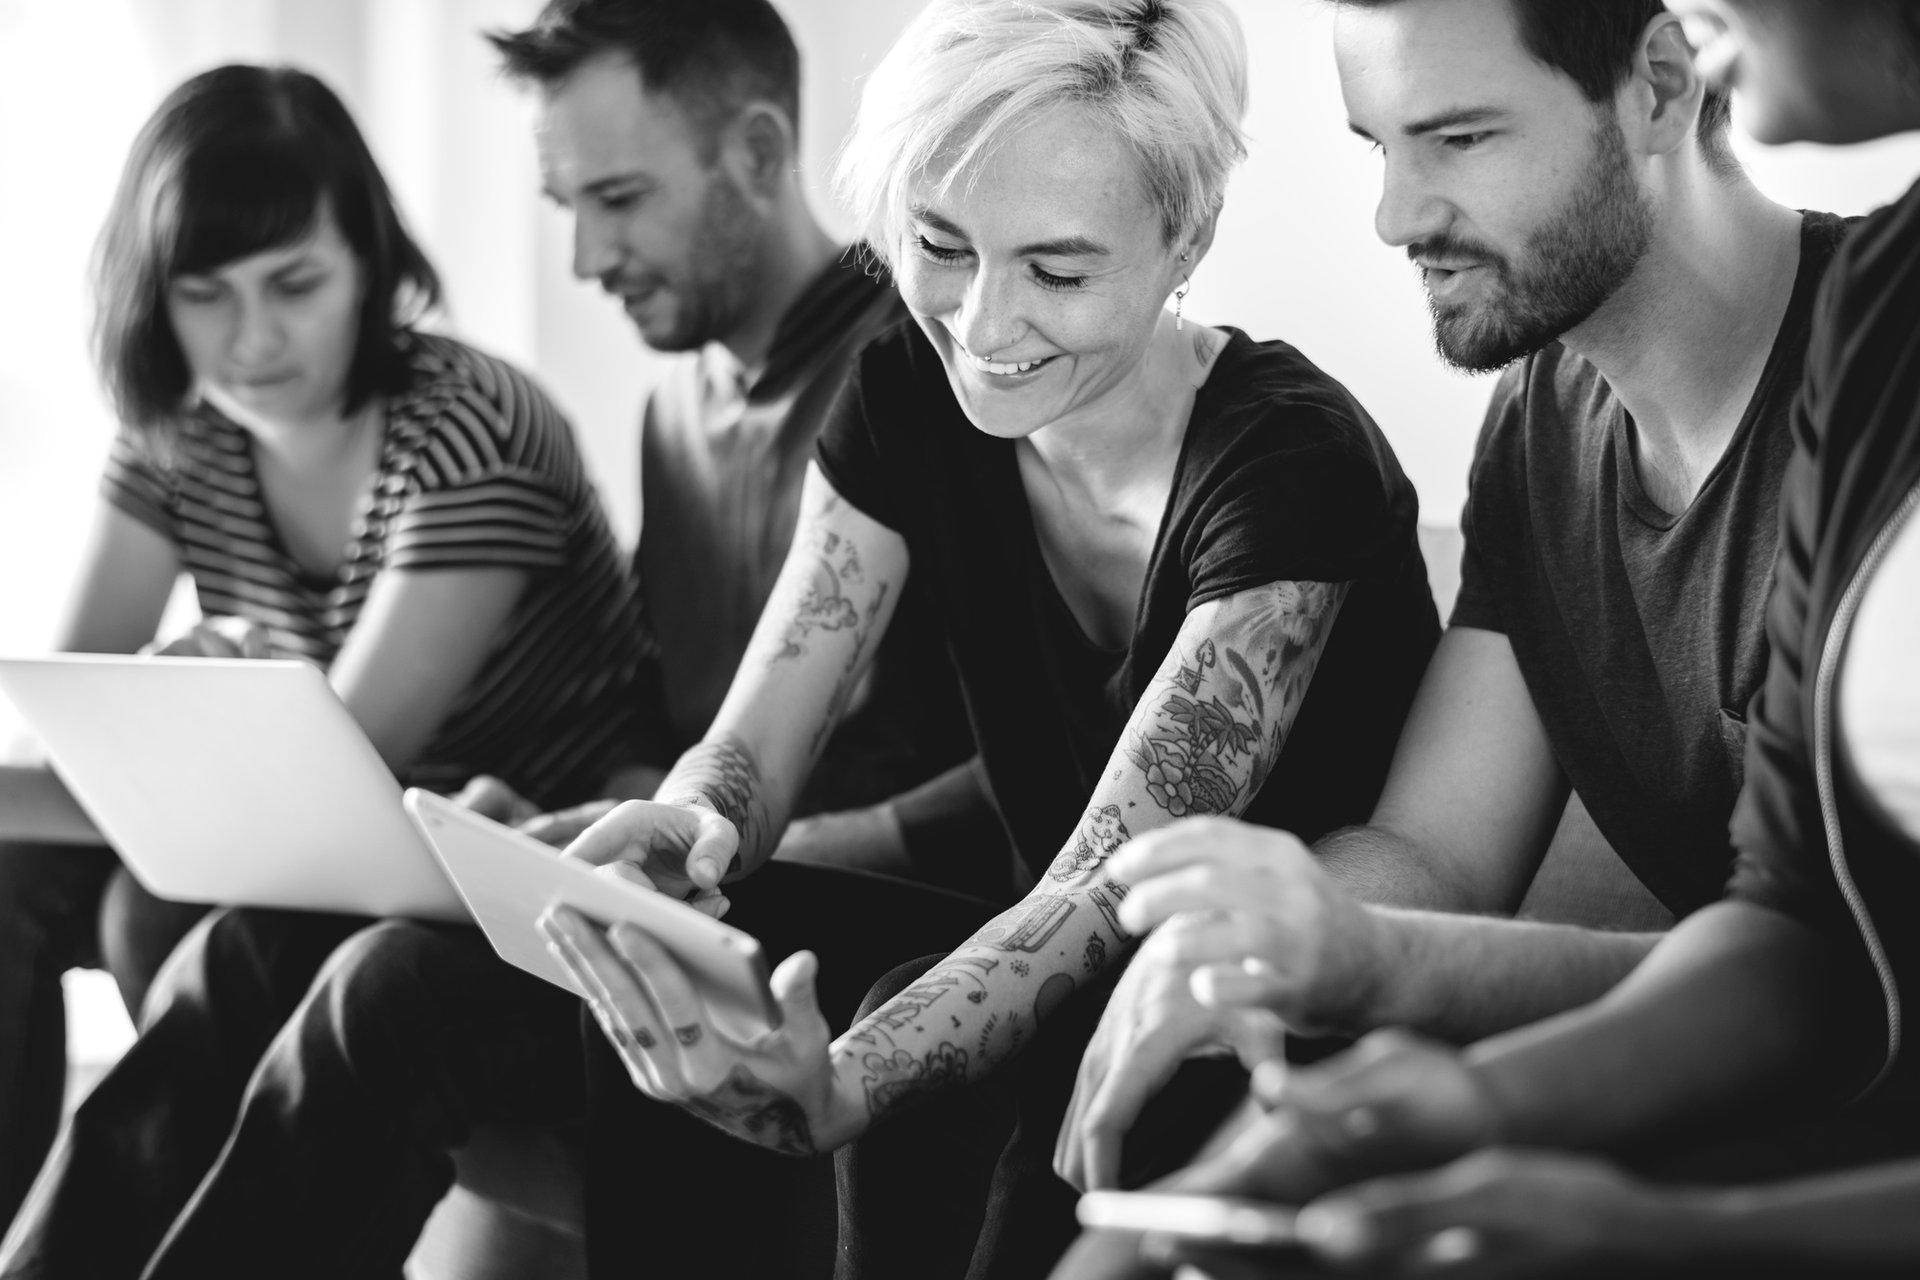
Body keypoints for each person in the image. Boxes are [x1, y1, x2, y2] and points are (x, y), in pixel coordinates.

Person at [0, 4, 986, 1277]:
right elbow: (677, 727)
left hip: (800, 908)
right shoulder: (674, 407)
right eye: (568, 202)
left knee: (381, 982)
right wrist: (574, 819)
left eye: (618, 198)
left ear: (754, 153)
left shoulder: (920, 383)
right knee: (239, 937)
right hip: (664, 859)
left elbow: (1001, 769)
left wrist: (649, 836)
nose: (583, 257)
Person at [543, 0, 1440, 1275]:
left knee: (935, 1040)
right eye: (941, 245)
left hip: (1251, 989)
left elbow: (1100, 890)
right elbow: (756, 734)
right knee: (677, 944)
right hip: (1052, 929)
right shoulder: (905, 388)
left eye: (1057, 271)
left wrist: (845, 1079)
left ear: (1188, 234)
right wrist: (692, 833)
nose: (981, 322)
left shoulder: (1292, 467)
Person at [1058, 2, 1920, 1276]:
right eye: (1379, 148)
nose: (1397, 217)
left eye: (1459, 137)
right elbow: (1439, 851)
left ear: (1661, 92)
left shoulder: (1872, 359)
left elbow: (1849, 980)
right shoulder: (1549, 420)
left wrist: (1385, 976)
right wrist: (1270, 960)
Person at [0, 63, 648, 1238]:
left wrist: (195, 710)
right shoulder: (178, 435)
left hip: (491, 853)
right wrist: (158, 712)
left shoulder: (471, 429)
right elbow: (59, 730)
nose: (251, 340)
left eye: (293, 283)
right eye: (205, 294)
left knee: (196, 927)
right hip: (303, 848)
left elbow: (334, 798)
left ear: (368, 265)